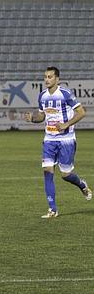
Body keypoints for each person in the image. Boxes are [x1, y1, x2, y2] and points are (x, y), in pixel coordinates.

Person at [24, 66, 92, 218]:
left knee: (66, 174)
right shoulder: (42, 96)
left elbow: (81, 112)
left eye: (50, 77)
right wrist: (33, 119)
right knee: (47, 171)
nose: (47, 79)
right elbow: (42, 116)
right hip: (49, 139)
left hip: (66, 139)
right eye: (45, 77)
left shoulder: (65, 94)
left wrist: (66, 125)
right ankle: (52, 209)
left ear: (57, 79)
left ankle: (82, 185)